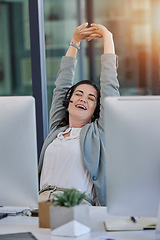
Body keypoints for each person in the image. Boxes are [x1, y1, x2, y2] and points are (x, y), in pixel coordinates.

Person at [38, 22, 120, 206]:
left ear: (95, 111)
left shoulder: (98, 134)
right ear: (68, 103)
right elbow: (62, 85)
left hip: (77, 206)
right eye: (78, 94)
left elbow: (109, 85)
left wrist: (108, 37)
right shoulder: (57, 130)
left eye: (91, 98)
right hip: (41, 205)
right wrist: (75, 42)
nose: (83, 99)